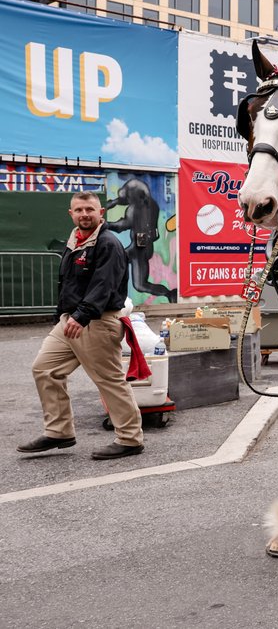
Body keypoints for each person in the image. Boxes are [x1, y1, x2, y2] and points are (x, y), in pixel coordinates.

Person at [18, 192, 145, 460]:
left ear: (101, 213)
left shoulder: (107, 243)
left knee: (108, 380)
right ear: (71, 214)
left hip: (96, 321)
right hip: (71, 320)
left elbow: (104, 284)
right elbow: (69, 285)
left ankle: (130, 439)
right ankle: (59, 432)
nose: (84, 214)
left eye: (90, 209)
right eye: (79, 210)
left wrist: (81, 314)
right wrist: (63, 316)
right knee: (45, 369)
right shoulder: (75, 240)